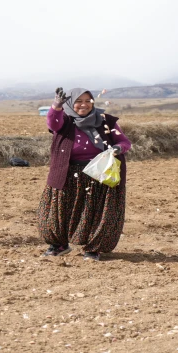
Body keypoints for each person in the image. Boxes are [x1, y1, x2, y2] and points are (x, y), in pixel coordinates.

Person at [37, 87, 131, 261]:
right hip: (66, 172)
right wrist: (57, 105)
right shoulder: (64, 120)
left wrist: (118, 149)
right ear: (71, 103)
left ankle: (93, 249)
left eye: (88, 101)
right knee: (58, 211)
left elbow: (124, 141)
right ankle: (59, 245)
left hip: (99, 174)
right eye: (79, 101)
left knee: (96, 211)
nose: (84, 105)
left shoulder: (106, 121)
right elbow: (52, 123)